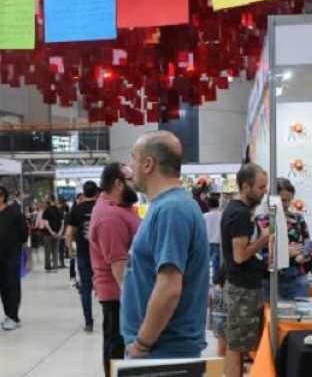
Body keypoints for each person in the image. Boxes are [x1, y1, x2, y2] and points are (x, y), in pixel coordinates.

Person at [122, 131, 209, 359]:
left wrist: (142, 343)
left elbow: (169, 287)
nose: (130, 166)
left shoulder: (171, 210)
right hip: (161, 347)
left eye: (133, 158)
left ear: (148, 164)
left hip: (163, 350)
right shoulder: (166, 206)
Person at [89, 163, 141, 376]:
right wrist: (134, 302)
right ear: (119, 184)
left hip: (120, 295)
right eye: (131, 179)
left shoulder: (118, 208)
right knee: (117, 348)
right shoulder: (110, 217)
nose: (135, 183)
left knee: (116, 346)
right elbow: (119, 267)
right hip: (119, 296)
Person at [221, 163, 272, 376]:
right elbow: (240, 255)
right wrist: (265, 238)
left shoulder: (239, 211)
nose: (263, 193)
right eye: (260, 188)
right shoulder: (240, 213)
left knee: (238, 343)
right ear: (245, 186)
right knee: (236, 345)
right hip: (242, 288)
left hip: (243, 286)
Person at [260, 178, 312, 299]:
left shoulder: (298, 219)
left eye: (289, 200)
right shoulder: (262, 221)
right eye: (283, 200)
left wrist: (305, 255)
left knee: (300, 316)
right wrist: (284, 253)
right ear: (272, 199)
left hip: (296, 279)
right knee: (271, 316)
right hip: (270, 281)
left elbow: (307, 243)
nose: (286, 204)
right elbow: (258, 256)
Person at [0, 185, 27, 331]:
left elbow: (24, 232)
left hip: (13, 252)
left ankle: (13, 316)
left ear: (2, 197)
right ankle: (8, 313)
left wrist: (15, 244)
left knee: (12, 283)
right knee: (1, 284)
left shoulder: (14, 213)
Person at [67, 181, 100, 332]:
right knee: (107, 288)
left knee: (85, 289)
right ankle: (112, 320)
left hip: (83, 254)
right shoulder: (102, 208)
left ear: (84, 193)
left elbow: (69, 234)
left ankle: (89, 322)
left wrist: (70, 250)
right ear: (97, 192)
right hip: (102, 255)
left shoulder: (76, 210)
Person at [43, 198, 65, 272]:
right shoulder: (60, 211)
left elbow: (46, 223)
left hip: (48, 234)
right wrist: (59, 232)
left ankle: (48, 268)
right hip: (57, 234)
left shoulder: (46, 210)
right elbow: (62, 223)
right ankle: (55, 267)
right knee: (55, 251)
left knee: (47, 251)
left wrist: (51, 232)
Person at [204, 196, 223, 282]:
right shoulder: (222, 215)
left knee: (207, 265)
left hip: (206, 243)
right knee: (217, 265)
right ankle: (216, 282)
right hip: (219, 243)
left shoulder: (204, 216)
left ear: (208, 205)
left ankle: (208, 283)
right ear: (218, 204)